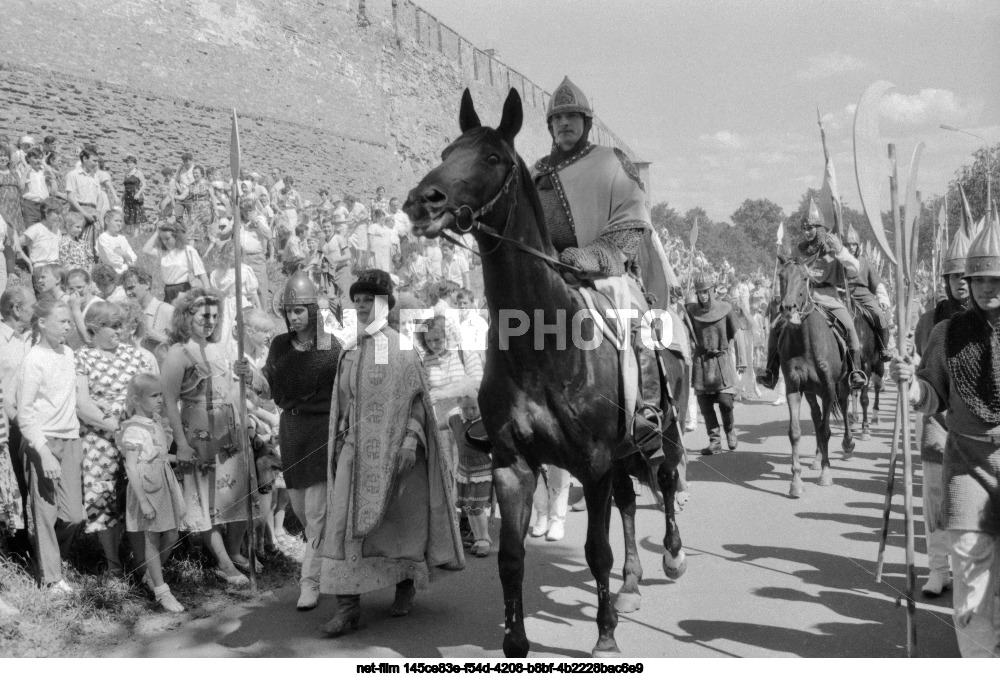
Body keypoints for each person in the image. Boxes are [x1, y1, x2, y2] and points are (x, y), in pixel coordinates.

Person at [532, 76, 674, 458]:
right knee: (504, 324)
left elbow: (632, 220)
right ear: (549, 126)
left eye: (572, 117)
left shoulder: (611, 161)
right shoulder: (538, 172)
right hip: (550, 274)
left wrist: (592, 257)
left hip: (605, 277)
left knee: (639, 322)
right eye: (557, 118)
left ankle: (646, 410)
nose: (564, 124)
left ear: (586, 123)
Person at [319, 269, 464, 637]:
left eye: (371, 300)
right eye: (359, 301)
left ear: (384, 305)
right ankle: (347, 607)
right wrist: (337, 442)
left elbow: (418, 400)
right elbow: (343, 401)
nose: (363, 306)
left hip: (398, 453)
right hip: (354, 449)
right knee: (341, 523)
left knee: (401, 522)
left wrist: (410, 441)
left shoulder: (399, 347)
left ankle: (404, 584)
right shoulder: (350, 349)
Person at [890, 215, 1000, 657]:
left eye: (997, 279)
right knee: (971, 576)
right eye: (980, 280)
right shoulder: (945, 332)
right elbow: (931, 395)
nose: (988, 288)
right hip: (967, 468)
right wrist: (909, 383)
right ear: (967, 283)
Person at [160, 290, 261, 587]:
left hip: (229, 428)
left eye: (215, 317)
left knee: (237, 492)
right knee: (204, 500)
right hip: (198, 429)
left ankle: (234, 552)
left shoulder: (219, 350)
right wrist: (181, 442)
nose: (210, 322)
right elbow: (168, 401)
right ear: (187, 316)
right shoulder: (177, 353)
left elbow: (231, 388)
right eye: (204, 316)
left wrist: (244, 419)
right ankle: (224, 563)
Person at [263, 270, 340, 611]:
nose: (294, 317)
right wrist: (249, 376)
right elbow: (268, 385)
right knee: (300, 511)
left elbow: (344, 392)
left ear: (312, 309)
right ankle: (327, 560)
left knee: (317, 513)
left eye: (299, 310)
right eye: (289, 311)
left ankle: (309, 582)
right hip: (291, 432)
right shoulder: (279, 345)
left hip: (320, 430)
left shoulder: (330, 347)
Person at [910, 221, 975, 598]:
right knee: (935, 500)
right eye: (953, 276)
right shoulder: (931, 321)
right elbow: (928, 374)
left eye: (967, 275)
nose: (961, 283)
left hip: (982, 435)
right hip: (939, 425)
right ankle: (938, 568)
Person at [75, 301, 154, 576]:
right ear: (95, 328)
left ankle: (145, 563)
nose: (120, 331)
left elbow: (148, 394)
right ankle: (114, 564)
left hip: (136, 436)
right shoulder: (82, 358)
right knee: (104, 496)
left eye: (121, 325)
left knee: (138, 493)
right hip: (100, 438)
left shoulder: (135, 356)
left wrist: (134, 428)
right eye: (113, 326)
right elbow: (82, 404)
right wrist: (113, 427)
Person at [758, 198, 866, 390]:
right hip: (803, 298)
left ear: (820, 227)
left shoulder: (832, 247)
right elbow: (789, 273)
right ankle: (771, 371)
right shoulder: (799, 250)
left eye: (811, 228)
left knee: (849, 327)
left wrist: (841, 251)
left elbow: (854, 269)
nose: (807, 232)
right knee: (776, 326)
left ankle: (855, 370)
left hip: (828, 297)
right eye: (804, 228)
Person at [16, 298, 85, 592]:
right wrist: (43, 452)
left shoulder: (69, 353)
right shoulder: (33, 360)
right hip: (41, 442)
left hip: (70, 439)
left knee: (73, 516)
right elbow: (25, 412)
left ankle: (55, 560)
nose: (68, 327)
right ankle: (51, 578)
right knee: (46, 514)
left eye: (70, 321)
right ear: (42, 323)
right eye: (62, 321)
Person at [118, 372, 185, 613]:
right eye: (154, 395)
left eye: (161, 395)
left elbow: (158, 454)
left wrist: (183, 459)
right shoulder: (134, 429)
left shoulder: (155, 422)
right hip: (146, 488)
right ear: (137, 399)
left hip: (163, 483)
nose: (160, 400)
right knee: (152, 539)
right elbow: (132, 466)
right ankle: (161, 590)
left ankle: (149, 573)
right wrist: (144, 501)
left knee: (172, 534)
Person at [686, 272, 745, 455]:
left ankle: (730, 430)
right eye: (699, 293)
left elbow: (738, 334)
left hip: (721, 362)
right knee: (705, 405)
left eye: (705, 291)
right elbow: (684, 330)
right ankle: (715, 441)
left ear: (712, 290)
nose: (703, 296)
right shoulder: (691, 312)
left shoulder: (725, 309)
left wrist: (742, 360)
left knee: (725, 402)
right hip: (701, 363)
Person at [448, 385, 493, 557]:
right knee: (468, 506)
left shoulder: (488, 422)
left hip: (482, 471)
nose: (470, 412)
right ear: (459, 404)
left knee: (477, 506)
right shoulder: (454, 420)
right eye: (465, 408)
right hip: (464, 470)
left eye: (474, 407)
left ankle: (483, 539)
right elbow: (437, 426)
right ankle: (479, 538)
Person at [843, 225, 892, 361]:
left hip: (863, 296)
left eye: (853, 244)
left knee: (879, 315)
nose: (851, 247)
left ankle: (883, 348)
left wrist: (882, 300)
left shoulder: (866, 263)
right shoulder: (839, 263)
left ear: (858, 246)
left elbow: (877, 283)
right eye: (847, 245)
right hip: (843, 296)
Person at [207, 240, 259, 352]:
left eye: (237, 253)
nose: (234, 256)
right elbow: (215, 293)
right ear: (225, 254)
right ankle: (225, 356)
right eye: (231, 253)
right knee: (225, 331)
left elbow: (253, 292)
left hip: (242, 305)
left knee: (243, 331)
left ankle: (244, 354)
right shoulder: (217, 273)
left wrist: (259, 310)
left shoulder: (245, 270)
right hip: (225, 305)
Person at [142, 222, 210, 303]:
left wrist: (208, 295)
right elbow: (145, 250)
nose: (165, 242)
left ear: (176, 237)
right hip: (168, 291)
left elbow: (202, 273)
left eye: (167, 238)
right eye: (162, 239)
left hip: (185, 290)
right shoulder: (162, 252)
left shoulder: (188, 250)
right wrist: (157, 232)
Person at [122, 266, 174, 352]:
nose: (128, 293)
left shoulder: (167, 310)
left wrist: (159, 337)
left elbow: (184, 345)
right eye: (125, 289)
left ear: (147, 284)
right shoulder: (128, 313)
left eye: (131, 288)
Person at [64, 149, 103, 256]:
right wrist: (84, 213)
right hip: (78, 211)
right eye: (94, 161)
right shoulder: (73, 175)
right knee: (77, 239)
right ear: (85, 159)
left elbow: (100, 196)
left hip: (93, 211)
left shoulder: (95, 176)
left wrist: (98, 212)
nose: (96, 164)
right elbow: (71, 197)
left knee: (93, 241)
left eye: (97, 161)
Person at [20, 197, 64, 267]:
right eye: (57, 213)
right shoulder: (35, 229)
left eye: (60, 214)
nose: (59, 216)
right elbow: (17, 244)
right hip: (41, 266)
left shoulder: (57, 231)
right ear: (46, 212)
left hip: (55, 266)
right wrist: (27, 260)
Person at [96, 208, 137, 275]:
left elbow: (132, 257)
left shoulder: (122, 238)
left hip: (125, 272)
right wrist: (125, 258)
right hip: (110, 273)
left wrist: (124, 254)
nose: (119, 223)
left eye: (120, 221)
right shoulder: (103, 238)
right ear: (107, 221)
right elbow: (110, 258)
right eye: (116, 221)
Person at [21, 147, 50, 227]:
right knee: (31, 229)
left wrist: (44, 163)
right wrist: (26, 171)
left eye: (40, 158)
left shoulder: (43, 171)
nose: (38, 161)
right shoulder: (25, 170)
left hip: (44, 204)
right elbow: (21, 187)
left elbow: (51, 174)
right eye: (35, 158)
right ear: (29, 159)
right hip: (30, 205)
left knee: (43, 229)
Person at [121, 155, 147, 230]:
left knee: (136, 215)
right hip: (127, 197)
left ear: (135, 164)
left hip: (135, 197)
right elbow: (125, 188)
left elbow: (144, 184)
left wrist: (138, 194)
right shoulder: (126, 174)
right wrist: (121, 198)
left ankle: (136, 235)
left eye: (130, 162)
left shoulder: (138, 173)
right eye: (127, 162)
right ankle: (126, 233)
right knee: (127, 214)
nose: (128, 164)